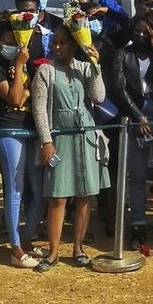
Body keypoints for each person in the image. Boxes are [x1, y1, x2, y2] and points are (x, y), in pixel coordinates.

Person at [31, 27, 108, 272]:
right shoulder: (46, 70)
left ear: (74, 45)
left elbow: (98, 97)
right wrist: (46, 141)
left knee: (85, 195)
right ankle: (53, 252)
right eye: (55, 42)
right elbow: (40, 109)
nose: (58, 47)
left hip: (85, 134)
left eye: (63, 42)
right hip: (60, 136)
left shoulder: (84, 69)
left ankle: (78, 248)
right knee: (58, 196)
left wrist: (95, 66)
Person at [109, 14, 153, 249]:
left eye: (146, 32)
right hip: (135, 118)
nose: (140, 35)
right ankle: (138, 224)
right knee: (137, 176)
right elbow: (119, 89)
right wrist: (138, 117)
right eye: (137, 31)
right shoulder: (122, 54)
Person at [0, 19, 45, 268]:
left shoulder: (31, 63)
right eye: (9, 41)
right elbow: (15, 97)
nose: (15, 46)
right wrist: (19, 65)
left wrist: (25, 69)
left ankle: (27, 237)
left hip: (30, 129)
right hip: (8, 129)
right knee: (15, 188)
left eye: (17, 41)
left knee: (38, 187)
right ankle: (16, 247)